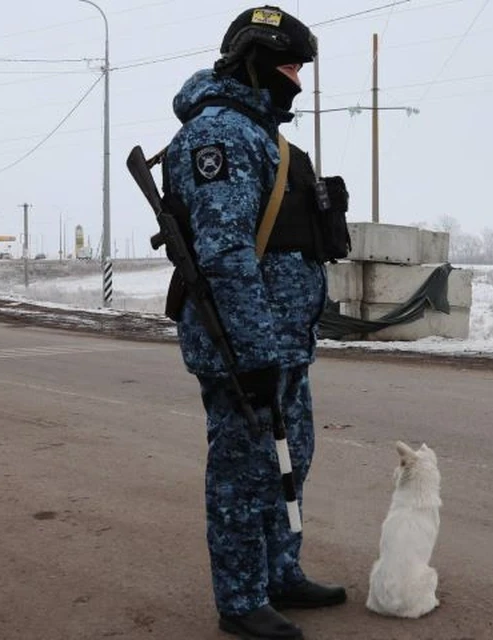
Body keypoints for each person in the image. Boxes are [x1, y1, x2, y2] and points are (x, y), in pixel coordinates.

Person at [162, 5, 349, 640]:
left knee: (291, 457)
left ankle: (280, 572)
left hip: (284, 341)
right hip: (246, 347)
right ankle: (241, 600)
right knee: (245, 470)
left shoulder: (263, 135)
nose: (297, 79)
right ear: (254, 62)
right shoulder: (218, 135)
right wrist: (254, 350)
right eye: (290, 66)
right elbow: (225, 254)